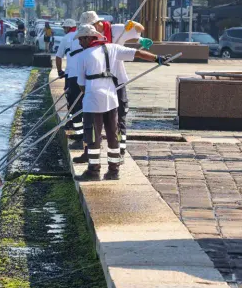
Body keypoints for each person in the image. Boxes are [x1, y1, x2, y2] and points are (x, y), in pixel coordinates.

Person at [73, 24, 170, 181]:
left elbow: (81, 84)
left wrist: (88, 92)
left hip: (92, 100)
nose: (79, 43)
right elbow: (137, 53)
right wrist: (157, 58)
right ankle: (113, 171)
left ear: (88, 38)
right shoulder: (113, 48)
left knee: (93, 136)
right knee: (113, 134)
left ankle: (93, 171)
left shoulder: (82, 56)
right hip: (112, 98)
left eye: (81, 39)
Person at [78, 11, 147, 159]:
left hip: (117, 77)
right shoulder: (89, 41)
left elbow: (140, 30)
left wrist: (132, 24)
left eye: (91, 26)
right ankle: (88, 151)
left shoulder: (116, 30)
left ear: (97, 23)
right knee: (92, 119)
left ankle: (120, 150)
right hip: (98, 81)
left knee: (119, 117)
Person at [54, 19, 81, 141]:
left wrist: (60, 71)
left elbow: (58, 57)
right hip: (83, 74)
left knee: (71, 99)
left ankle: (72, 123)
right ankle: (77, 124)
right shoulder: (83, 36)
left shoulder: (65, 39)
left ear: (68, 28)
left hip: (70, 74)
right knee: (81, 100)